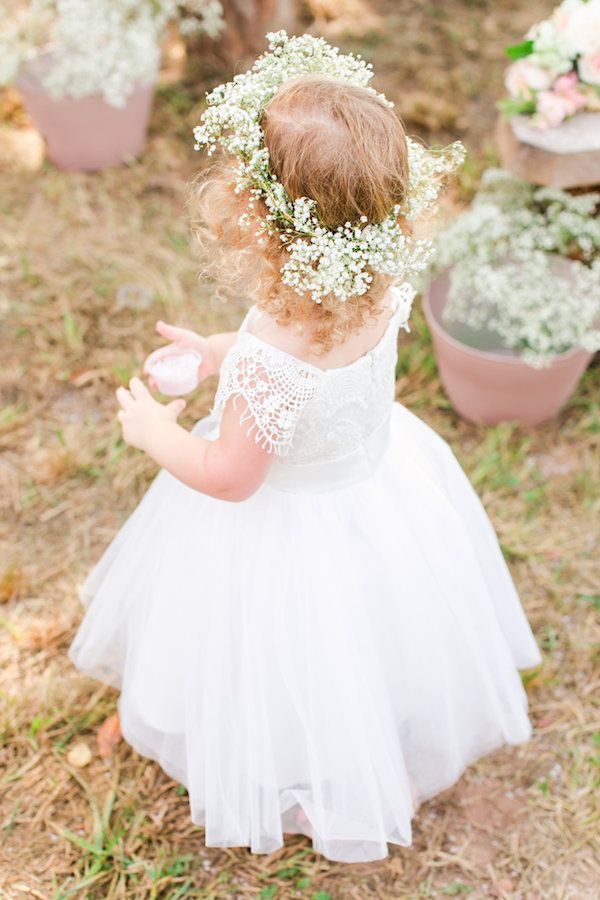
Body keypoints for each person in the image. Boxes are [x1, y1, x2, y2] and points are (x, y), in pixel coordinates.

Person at [69, 33, 542, 864]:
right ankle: (375, 753)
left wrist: (157, 432)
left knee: (292, 657)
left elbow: (230, 478)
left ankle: (317, 778)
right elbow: (311, 365)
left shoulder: (273, 357)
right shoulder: (376, 285)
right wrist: (223, 350)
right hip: (375, 493)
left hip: (284, 534)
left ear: (263, 216)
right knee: (368, 644)